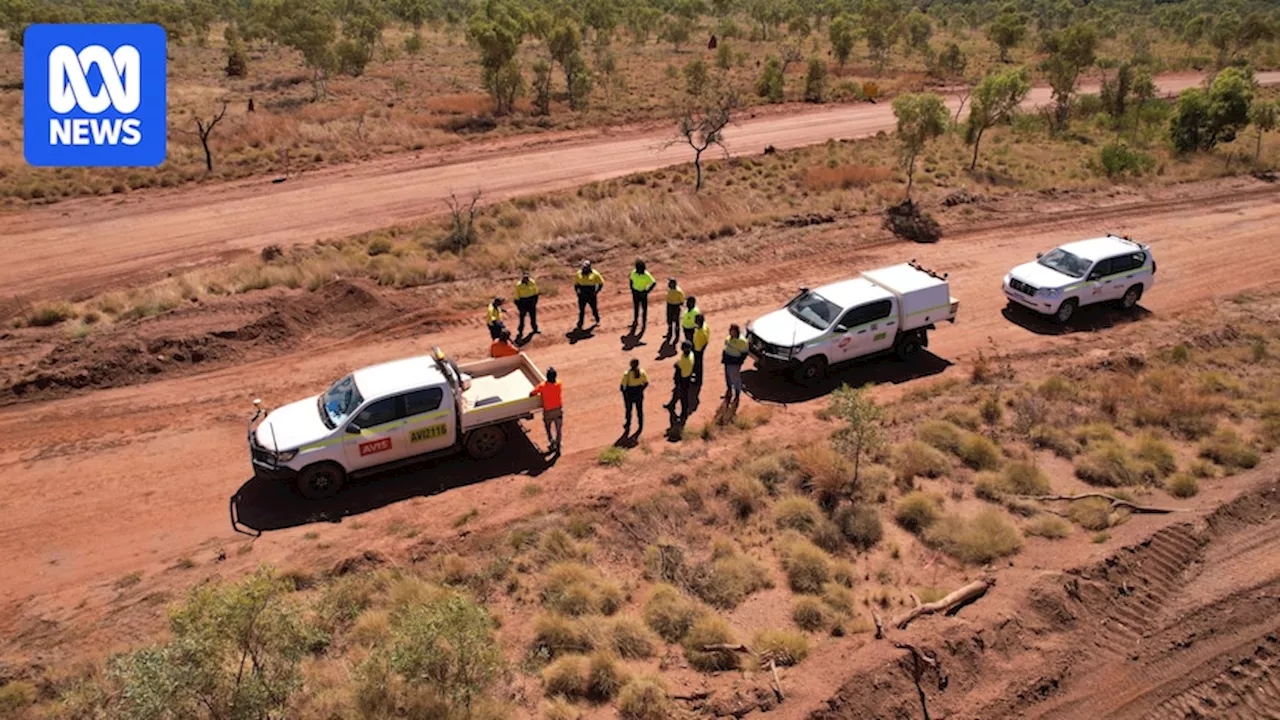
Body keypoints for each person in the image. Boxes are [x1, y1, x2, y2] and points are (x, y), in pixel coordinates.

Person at [530, 367, 563, 453]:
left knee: (548, 428)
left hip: (548, 411)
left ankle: (551, 442)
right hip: (558, 410)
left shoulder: (542, 386)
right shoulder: (559, 384)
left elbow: (532, 393)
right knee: (558, 429)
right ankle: (558, 443)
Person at [663, 342, 696, 423]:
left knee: (683, 396)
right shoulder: (691, 354)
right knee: (677, 392)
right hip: (686, 377)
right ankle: (672, 404)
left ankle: (684, 413)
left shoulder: (686, 359)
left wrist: (676, 364)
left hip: (682, 378)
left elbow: (678, 366)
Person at [619, 358, 649, 436]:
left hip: (630, 393)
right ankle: (640, 424)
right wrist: (641, 389)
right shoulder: (642, 372)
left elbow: (622, 386)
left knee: (629, 410)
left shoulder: (627, 374)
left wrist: (624, 393)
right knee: (639, 409)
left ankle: (628, 424)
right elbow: (646, 383)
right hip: (638, 392)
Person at [574, 261, 605, 330]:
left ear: (589, 268)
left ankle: (597, 320)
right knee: (581, 310)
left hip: (591, 294)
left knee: (594, 308)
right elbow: (576, 284)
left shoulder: (595, 274)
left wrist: (596, 292)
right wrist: (577, 292)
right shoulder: (579, 273)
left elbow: (601, 283)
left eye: (586, 268)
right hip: (582, 294)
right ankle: (580, 323)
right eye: (583, 267)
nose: (584, 269)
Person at [722, 323, 749, 403]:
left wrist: (739, 362)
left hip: (734, 362)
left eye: (731, 330)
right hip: (727, 360)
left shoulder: (742, 341)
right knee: (727, 377)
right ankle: (729, 391)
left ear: (736, 331)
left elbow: (744, 353)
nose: (729, 331)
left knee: (735, 379)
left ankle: (737, 395)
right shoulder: (729, 337)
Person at [629, 259, 657, 335]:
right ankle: (635, 321)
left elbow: (654, 283)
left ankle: (644, 323)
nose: (640, 270)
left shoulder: (646, 275)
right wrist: (631, 289)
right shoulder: (634, 272)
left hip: (643, 293)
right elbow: (631, 280)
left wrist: (647, 291)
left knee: (644, 309)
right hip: (635, 293)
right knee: (636, 308)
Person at [514, 272, 540, 337]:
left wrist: (535, 302)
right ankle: (520, 332)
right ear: (522, 278)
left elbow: (536, 292)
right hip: (523, 302)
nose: (526, 279)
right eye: (525, 278)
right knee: (522, 319)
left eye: (527, 278)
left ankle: (535, 329)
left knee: (533, 317)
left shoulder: (532, 282)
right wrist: (519, 307)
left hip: (531, 301)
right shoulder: (518, 285)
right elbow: (516, 297)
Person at [691, 313, 710, 384]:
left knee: (698, 365)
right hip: (697, 347)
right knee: (696, 364)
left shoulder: (701, 332)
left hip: (698, 349)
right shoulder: (704, 326)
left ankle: (698, 380)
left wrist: (701, 348)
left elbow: (705, 340)